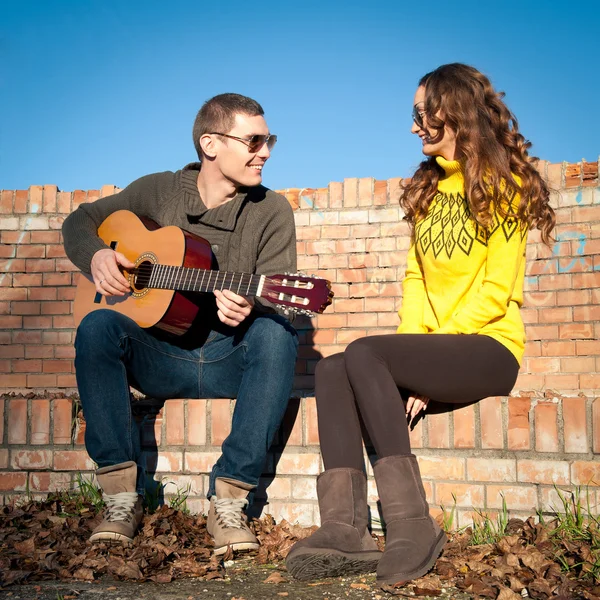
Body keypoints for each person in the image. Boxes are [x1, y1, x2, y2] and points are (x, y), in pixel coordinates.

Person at [285, 63, 555, 585]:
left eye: (420, 113)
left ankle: (412, 524)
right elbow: (415, 280)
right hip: (440, 351)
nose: (413, 125)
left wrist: (423, 365)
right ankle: (345, 529)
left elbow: (497, 293)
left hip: (489, 347)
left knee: (364, 352)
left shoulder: (508, 185)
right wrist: (415, 360)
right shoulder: (428, 191)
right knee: (332, 369)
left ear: (453, 112)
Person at [62, 93, 299, 554]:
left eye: (268, 140)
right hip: (161, 355)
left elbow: (284, 300)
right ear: (211, 143)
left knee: (277, 332)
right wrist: (97, 255)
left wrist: (256, 308)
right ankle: (119, 497)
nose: (265, 151)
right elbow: (80, 221)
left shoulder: (272, 210)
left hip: (228, 355)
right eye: (253, 140)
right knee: (96, 327)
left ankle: (230, 502)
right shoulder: (158, 191)